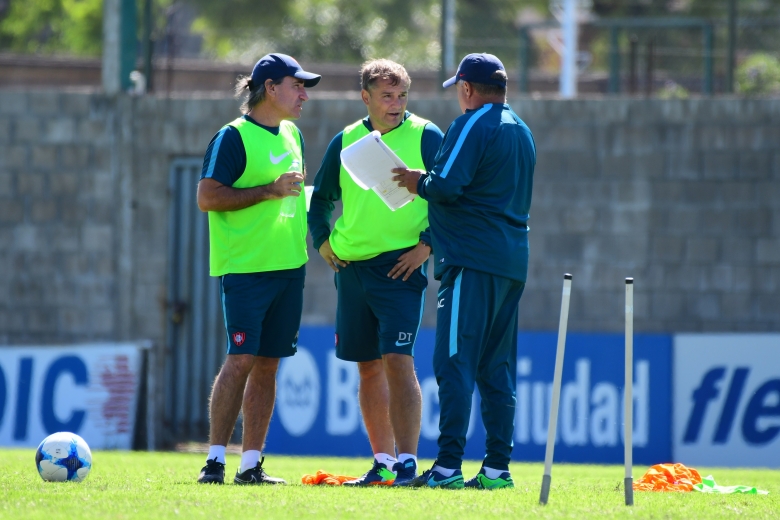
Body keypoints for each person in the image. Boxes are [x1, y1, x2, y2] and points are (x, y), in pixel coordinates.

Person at [393, 53, 536, 490]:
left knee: (454, 361)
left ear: (468, 89)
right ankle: (496, 469)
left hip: (472, 262)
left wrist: (418, 181)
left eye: (459, 88)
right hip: (510, 261)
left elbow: (447, 185)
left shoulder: (475, 122)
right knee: (497, 367)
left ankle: (448, 467)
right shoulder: (522, 129)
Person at [308, 59, 444, 486]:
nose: (396, 104)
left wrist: (427, 246)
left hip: (402, 268)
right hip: (350, 268)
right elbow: (322, 200)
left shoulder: (426, 135)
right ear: (365, 97)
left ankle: (408, 464)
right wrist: (323, 242)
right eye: (386, 96)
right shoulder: (346, 140)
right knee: (367, 367)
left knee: (398, 361)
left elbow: (452, 195)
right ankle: (383, 463)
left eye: (402, 95)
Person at [195, 53, 321, 485]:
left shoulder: (293, 134)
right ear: (270, 88)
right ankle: (214, 460)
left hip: (290, 268)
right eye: (297, 85)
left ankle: (250, 464)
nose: (304, 94)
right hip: (246, 269)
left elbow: (293, 197)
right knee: (241, 358)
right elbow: (208, 197)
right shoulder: (232, 137)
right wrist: (268, 190)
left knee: (268, 364)